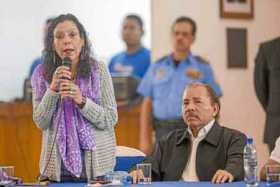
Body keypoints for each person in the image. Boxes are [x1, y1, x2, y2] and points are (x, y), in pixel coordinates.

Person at [31, 14, 118, 182]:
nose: (66, 41)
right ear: (52, 43)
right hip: (56, 169)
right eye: (59, 36)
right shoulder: (41, 74)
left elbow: (110, 118)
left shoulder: (98, 70)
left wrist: (82, 101)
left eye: (72, 35)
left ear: (82, 40)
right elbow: (40, 121)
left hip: (96, 168)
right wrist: (52, 89)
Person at [137, 16, 222, 154]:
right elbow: (147, 103)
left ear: (193, 38)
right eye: (176, 33)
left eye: (185, 34)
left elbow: (214, 103)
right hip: (161, 130)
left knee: (189, 173)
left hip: (192, 129)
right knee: (163, 173)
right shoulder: (157, 66)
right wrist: (144, 140)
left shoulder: (203, 67)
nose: (179, 37)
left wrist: (213, 137)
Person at [130, 83, 245, 183]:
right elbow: (148, 165)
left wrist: (229, 172)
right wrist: (136, 172)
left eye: (197, 102)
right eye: (185, 103)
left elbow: (237, 164)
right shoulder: (169, 140)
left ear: (215, 109)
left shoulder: (234, 138)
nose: (190, 108)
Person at [254, 37, 280, 153]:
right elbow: (261, 89)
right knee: (275, 171)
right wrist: (274, 110)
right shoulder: (267, 49)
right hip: (277, 127)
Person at [108, 14, 150, 79]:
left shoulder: (150, 58)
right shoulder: (114, 60)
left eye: (132, 28)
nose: (127, 32)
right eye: (125, 28)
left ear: (142, 32)